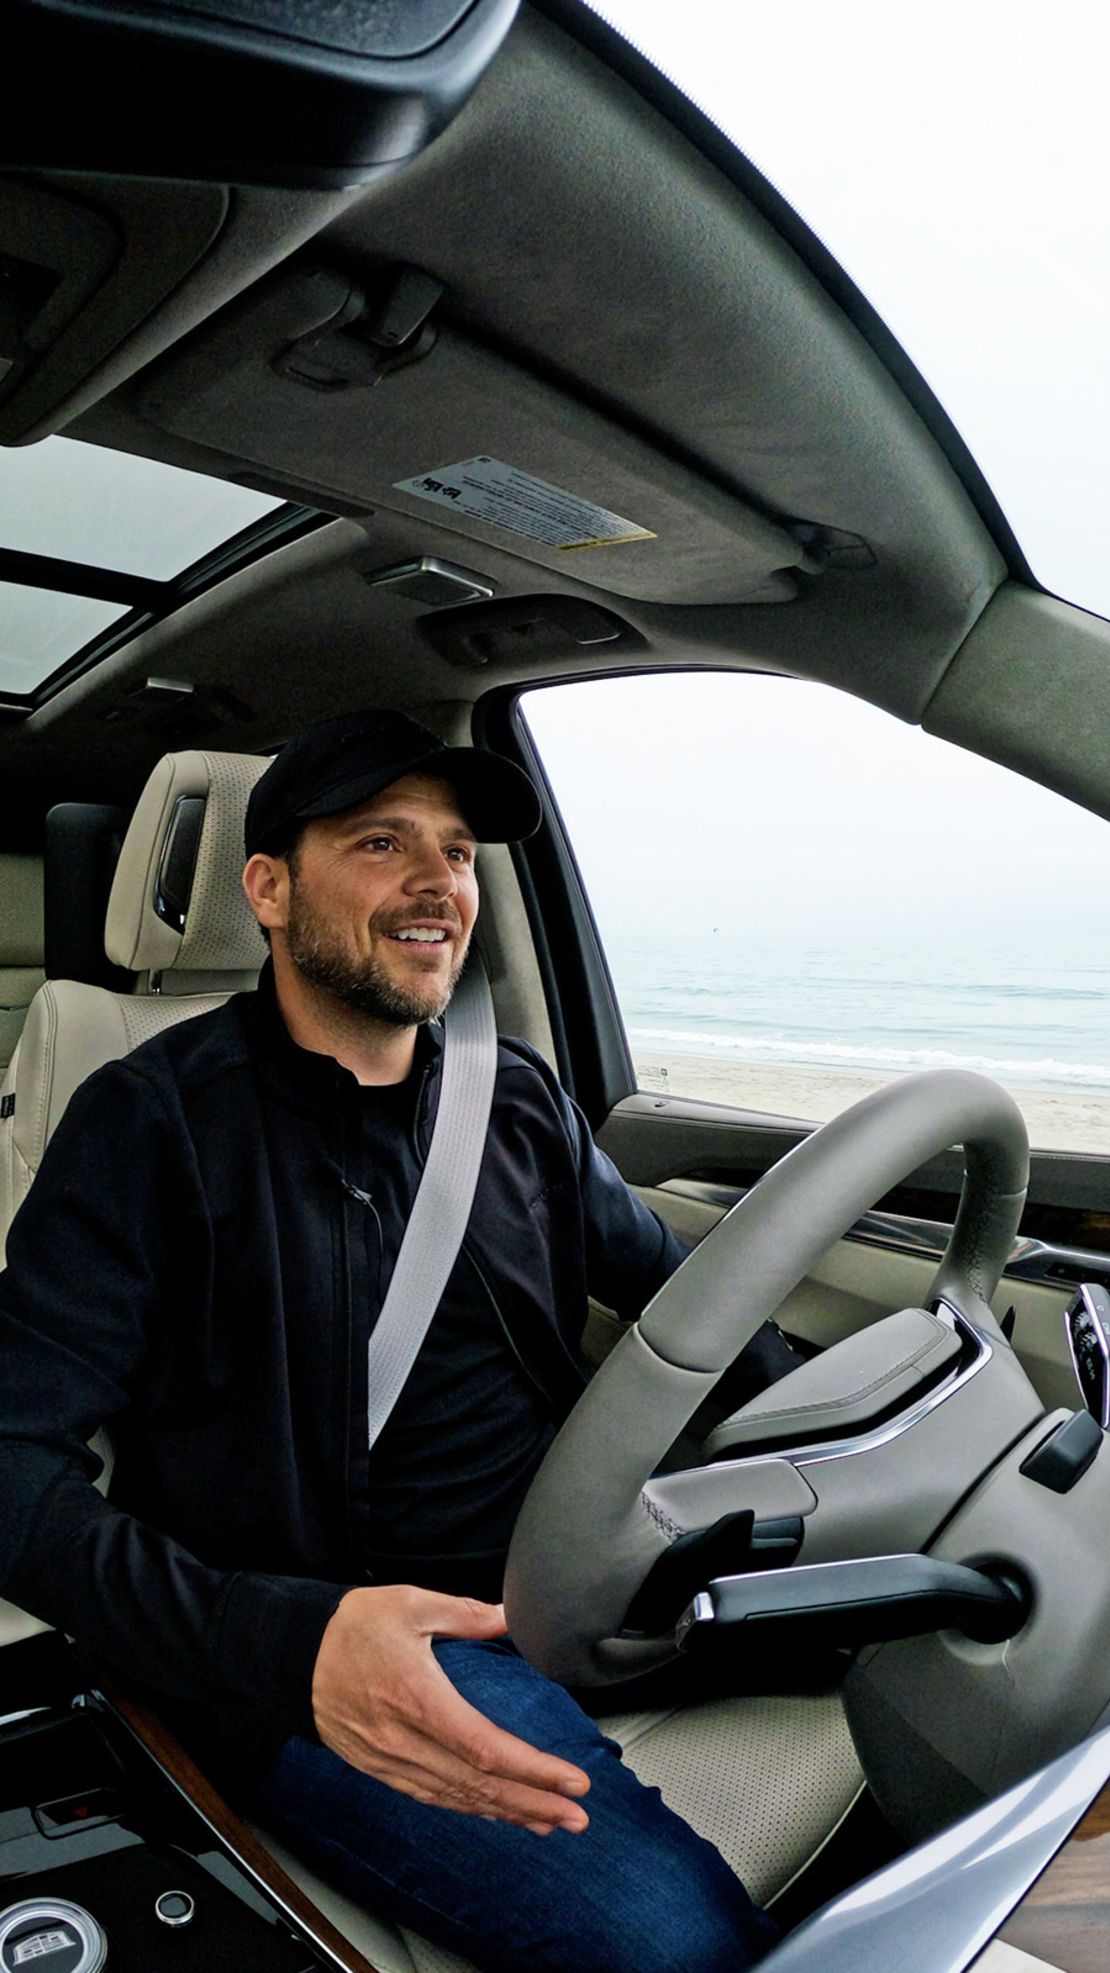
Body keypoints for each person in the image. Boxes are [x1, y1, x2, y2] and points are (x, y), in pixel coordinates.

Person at [0, 712, 781, 1972]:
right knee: (675, 1945)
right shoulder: (150, 1123)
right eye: (381, 841)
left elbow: (690, 1304)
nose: (439, 882)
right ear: (266, 888)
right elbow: (5, 1460)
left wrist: (822, 1425)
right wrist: (291, 1641)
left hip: (583, 1566)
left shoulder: (515, 1094)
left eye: (459, 852)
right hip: (347, 1637)